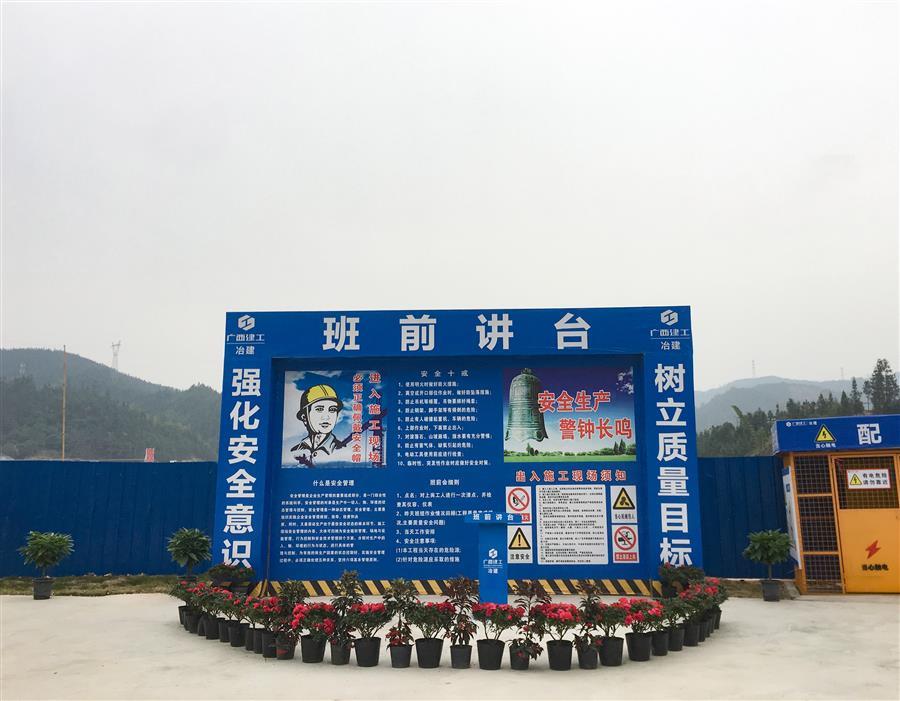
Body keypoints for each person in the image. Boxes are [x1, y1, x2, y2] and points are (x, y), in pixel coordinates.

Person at [290, 384, 347, 466]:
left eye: (332, 409)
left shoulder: (342, 450)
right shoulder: (296, 450)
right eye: (319, 409)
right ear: (304, 417)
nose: (326, 417)